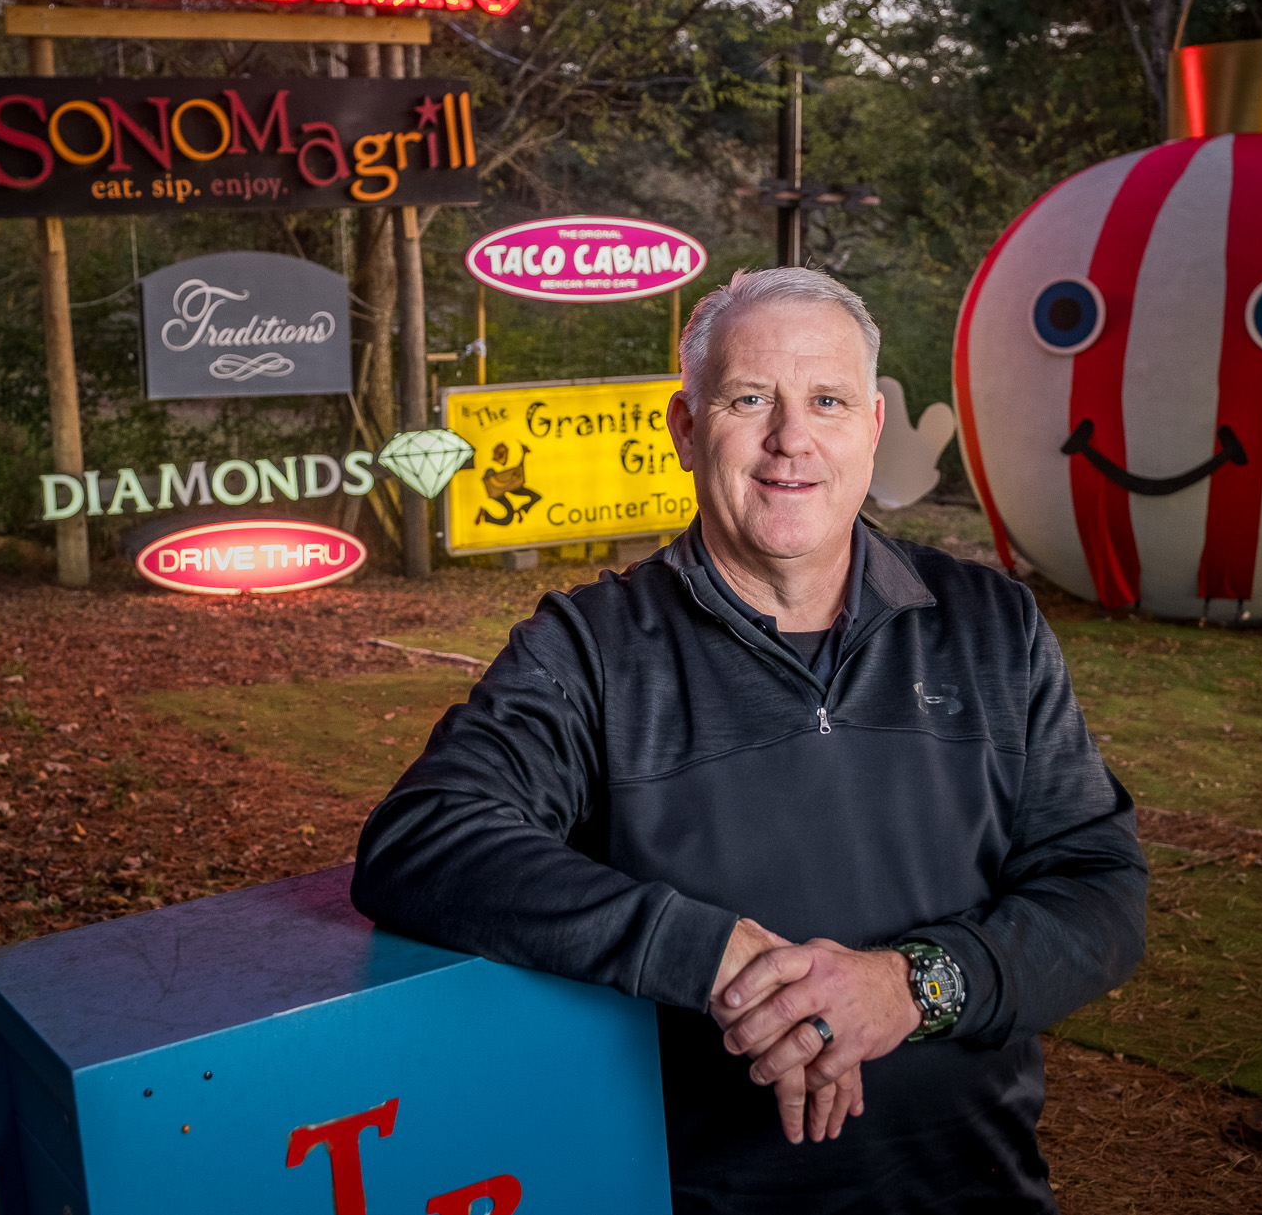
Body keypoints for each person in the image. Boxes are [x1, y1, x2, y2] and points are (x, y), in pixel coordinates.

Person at [351, 268, 1147, 1213]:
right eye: (749, 399)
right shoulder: (592, 647)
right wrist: (713, 955)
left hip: (976, 1196)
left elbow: (1100, 891)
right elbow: (424, 838)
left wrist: (910, 985)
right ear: (686, 428)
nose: (791, 440)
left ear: (873, 428)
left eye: (827, 400)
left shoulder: (990, 627)